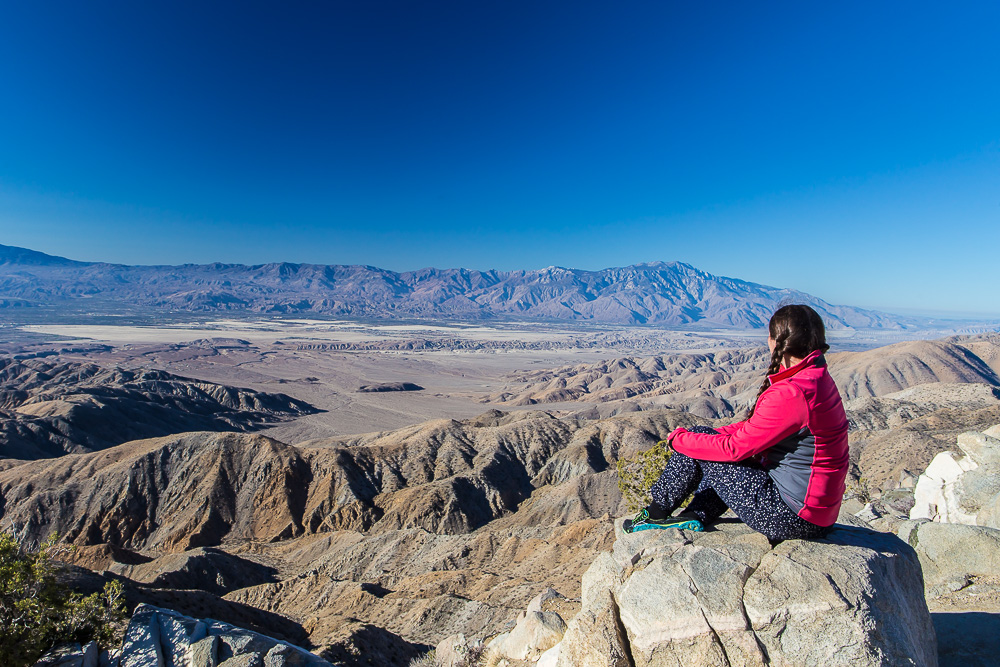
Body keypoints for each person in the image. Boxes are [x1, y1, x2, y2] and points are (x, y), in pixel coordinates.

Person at [624, 304, 849, 542]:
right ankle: (695, 515)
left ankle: (656, 513)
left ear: (774, 341)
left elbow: (734, 449)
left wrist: (680, 440)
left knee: (699, 441)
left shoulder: (792, 392)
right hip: (816, 515)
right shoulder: (815, 378)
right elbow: (753, 431)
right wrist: (709, 435)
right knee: (704, 439)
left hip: (791, 518)